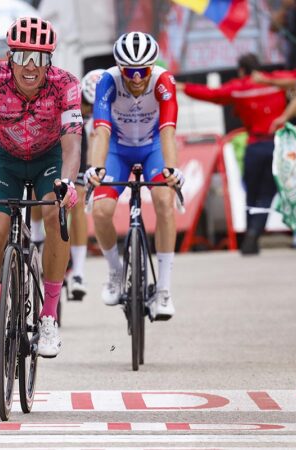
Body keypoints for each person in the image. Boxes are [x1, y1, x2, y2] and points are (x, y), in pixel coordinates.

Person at [0, 17, 82, 357]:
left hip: (48, 159)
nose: (30, 66)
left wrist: (68, 182)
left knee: (55, 217)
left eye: (39, 57)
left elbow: (72, 144)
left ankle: (49, 315)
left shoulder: (66, 84)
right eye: (23, 56)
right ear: (10, 57)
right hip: (5, 160)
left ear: (50, 60)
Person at [86, 32, 184, 321]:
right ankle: (115, 271)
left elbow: (168, 131)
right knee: (101, 211)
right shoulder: (108, 81)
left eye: (143, 70)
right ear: (120, 68)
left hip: (153, 147)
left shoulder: (163, 81)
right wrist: (96, 168)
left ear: (152, 67)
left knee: (164, 202)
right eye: (130, 71)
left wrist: (171, 169)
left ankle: (163, 289)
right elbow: (101, 130)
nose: (138, 77)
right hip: (117, 149)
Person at [177, 53, 289, 255]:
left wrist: (184, 87)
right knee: (266, 194)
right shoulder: (277, 82)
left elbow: (212, 94)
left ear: (241, 70)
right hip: (277, 145)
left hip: (255, 146)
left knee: (252, 194)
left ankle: (250, 235)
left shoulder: (240, 88)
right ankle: (254, 232)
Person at [64, 68, 105, 300]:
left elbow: (95, 143)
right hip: (63, 146)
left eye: (93, 107)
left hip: (84, 151)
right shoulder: (70, 101)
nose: (88, 110)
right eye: (86, 105)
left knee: (78, 201)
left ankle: (78, 272)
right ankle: (39, 243)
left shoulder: (103, 111)